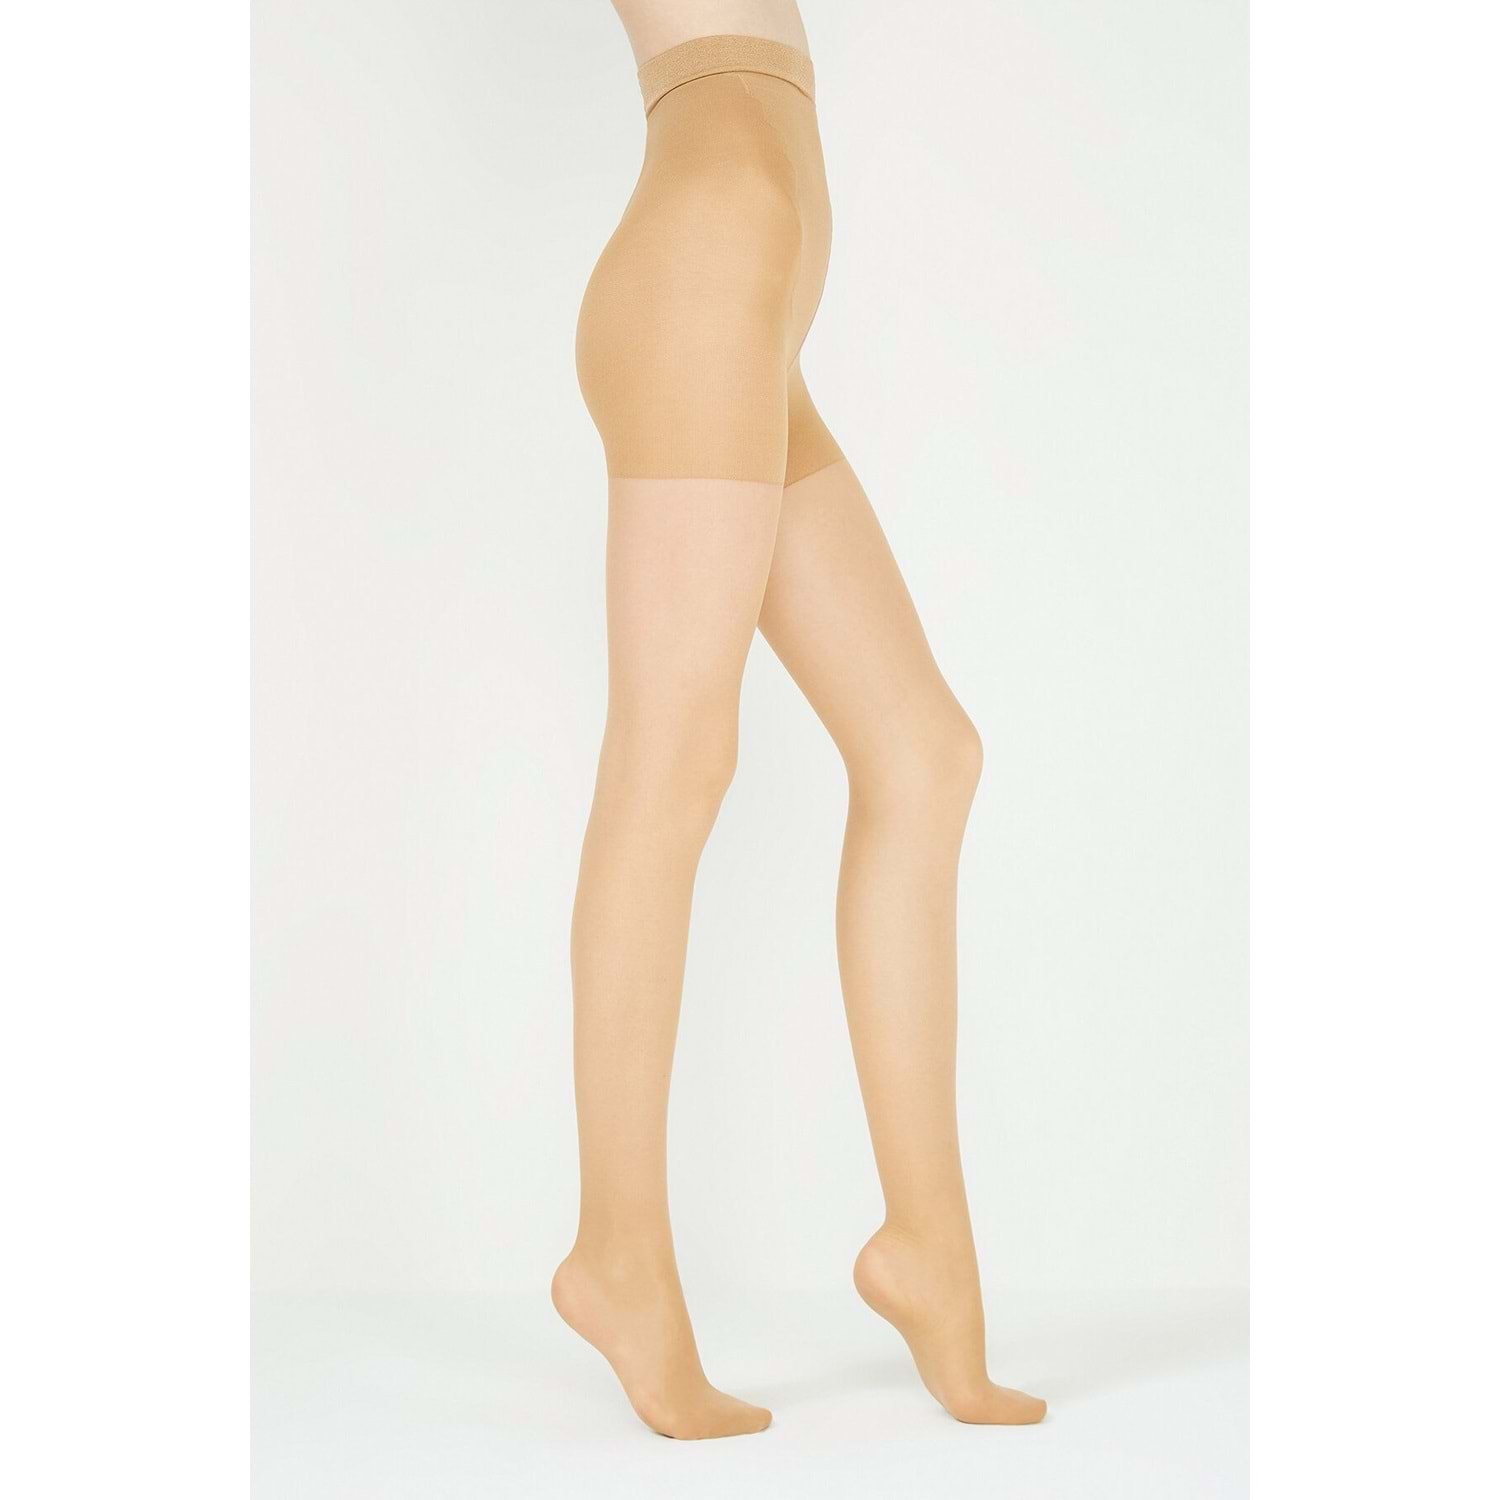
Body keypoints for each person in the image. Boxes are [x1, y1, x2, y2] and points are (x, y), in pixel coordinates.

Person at [551, 0, 1047, 1439]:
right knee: (676, 756)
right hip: (710, 252)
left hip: (754, 283)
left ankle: (927, 1250)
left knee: (925, 755)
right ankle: (617, 1254)